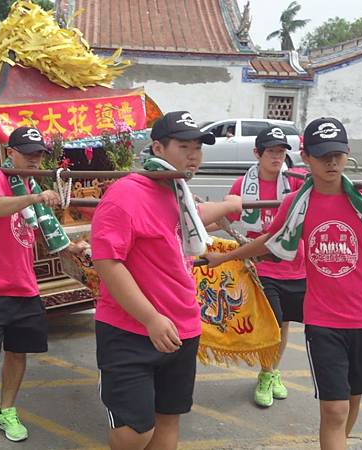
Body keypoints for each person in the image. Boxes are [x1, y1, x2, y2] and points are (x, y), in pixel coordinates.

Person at [206, 117, 362, 450]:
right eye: (322, 155)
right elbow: (270, 240)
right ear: (306, 157)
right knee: (334, 409)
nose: (331, 162)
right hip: (324, 322)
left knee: (352, 400)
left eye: (337, 153)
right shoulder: (297, 204)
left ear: (347, 153)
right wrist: (225, 257)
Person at [91, 111, 242, 450]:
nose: (193, 155)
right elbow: (107, 261)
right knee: (134, 432)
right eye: (184, 146)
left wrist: (230, 204)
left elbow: (193, 220)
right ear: (158, 148)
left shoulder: (178, 191)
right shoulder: (126, 194)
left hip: (182, 328)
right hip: (131, 331)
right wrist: (150, 318)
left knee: (168, 419)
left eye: (198, 148)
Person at [0, 126, 88, 442]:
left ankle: (7, 409)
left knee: (18, 352)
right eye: (28, 153)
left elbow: (42, 230)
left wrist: (69, 247)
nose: (34, 159)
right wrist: (33, 197)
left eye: (39, 154)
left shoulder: (29, 184)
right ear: (11, 153)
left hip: (24, 286)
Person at [220, 126, 306, 408]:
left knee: (283, 324)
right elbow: (227, 218)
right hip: (262, 268)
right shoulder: (241, 186)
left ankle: (270, 371)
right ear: (257, 153)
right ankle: (268, 373)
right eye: (271, 151)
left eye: (281, 151)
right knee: (272, 321)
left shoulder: (294, 181)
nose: (277, 157)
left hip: (295, 265)